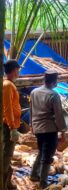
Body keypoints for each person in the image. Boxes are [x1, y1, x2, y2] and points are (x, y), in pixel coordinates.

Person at [30, 70, 67, 189]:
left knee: (41, 151)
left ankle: (34, 174)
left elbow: (31, 110)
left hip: (38, 128)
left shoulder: (34, 92)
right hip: (49, 129)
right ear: (55, 82)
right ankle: (43, 183)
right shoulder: (53, 95)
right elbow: (58, 115)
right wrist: (63, 131)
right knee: (47, 155)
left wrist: (32, 125)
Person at [3, 59, 21, 190]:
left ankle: (7, 183)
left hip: (11, 124)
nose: (18, 72)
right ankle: (3, 184)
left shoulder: (9, 84)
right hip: (8, 126)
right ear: (14, 70)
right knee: (7, 155)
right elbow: (7, 108)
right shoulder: (8, 85)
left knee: (8, 156)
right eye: (18, 69)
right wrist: (13, 128)